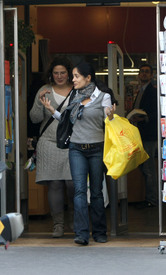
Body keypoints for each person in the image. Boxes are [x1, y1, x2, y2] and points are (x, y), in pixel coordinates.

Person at [40, 61, 115, 245]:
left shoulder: (103, 97)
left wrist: (111, 114)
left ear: (88, 78)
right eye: (72, 76)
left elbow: (108, 119)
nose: (72, 80)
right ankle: (81, 233)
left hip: (97, 148)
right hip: (76, 149)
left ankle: (99, 231)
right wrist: (52, 110)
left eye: (76, 76)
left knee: (96, 192)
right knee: (79, 191)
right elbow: (67, 119)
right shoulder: (74, 96)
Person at [29, 56, 75, 238]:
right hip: (49, 142)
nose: (59, 76)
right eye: (56, 73)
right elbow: (34, 118)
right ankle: (58, 224)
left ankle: (74, 218)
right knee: (54, 184)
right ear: (51, 74)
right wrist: (40, 104)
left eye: (63, 72)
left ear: (69, 73)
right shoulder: (45, 90)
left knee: (73, 184)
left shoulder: (77, 90)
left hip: (73, 143)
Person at [129, 64, 157, 208]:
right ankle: (148, 197)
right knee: (144, 167)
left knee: (149, 168)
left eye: (147, 72)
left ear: (151, 76)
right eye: (142, 72)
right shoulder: (140, 91)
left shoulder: (152, 92)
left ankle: (152, 199)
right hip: (140, 134)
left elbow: (155, 113)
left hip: (149, 135)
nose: (144, 74)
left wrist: (143, 118)